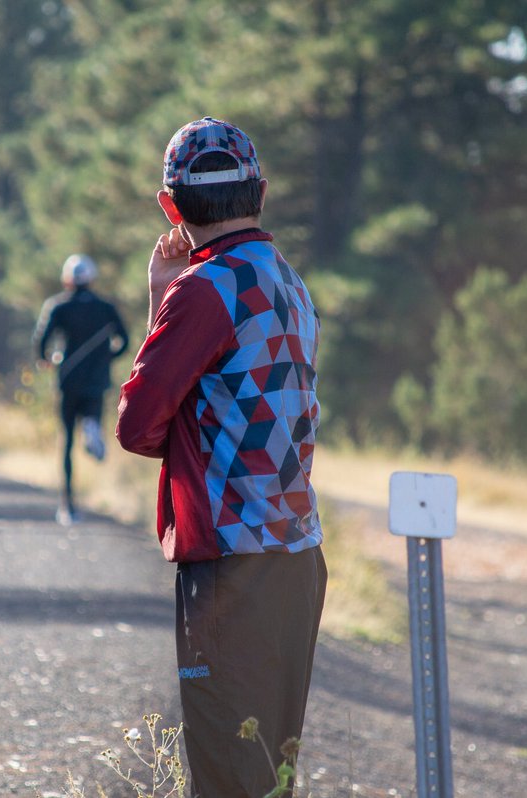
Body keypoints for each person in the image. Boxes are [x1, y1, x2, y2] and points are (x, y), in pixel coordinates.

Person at [116, 117, 327, 797]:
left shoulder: (204, 288)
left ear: (170, 206)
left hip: (232, 561)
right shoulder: (289, 281)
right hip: (298, 556)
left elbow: (138, 425)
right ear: (260, 193)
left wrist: (161, 296)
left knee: (224, 776)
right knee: (271, 770)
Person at [33, 253, 129, 525]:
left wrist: (45, 360)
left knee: (66, 442)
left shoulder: (58, 306)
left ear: (67, 280)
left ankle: (68, 506)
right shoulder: (106, 307)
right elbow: (123, 340)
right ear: (92, 279)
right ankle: (92, 424)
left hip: (68, 380)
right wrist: (107, 358)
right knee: (92, 414)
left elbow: (41, 341)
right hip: (96, 381)